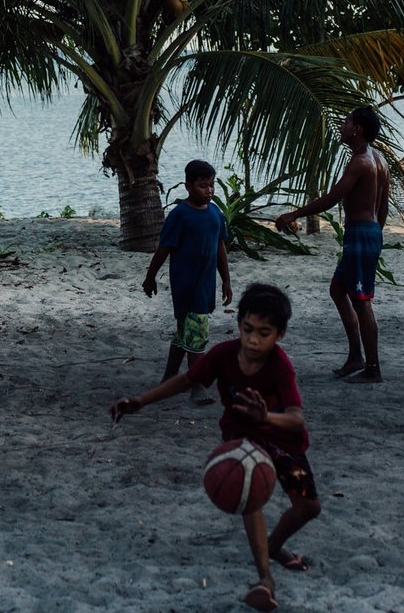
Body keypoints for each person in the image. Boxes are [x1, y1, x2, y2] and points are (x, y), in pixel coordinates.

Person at [111, 282, 320, 612]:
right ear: (238, 324)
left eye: (263, 333)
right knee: (248, 491)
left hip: (283, 440)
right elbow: (186, 380)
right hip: (242, 437)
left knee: (309, 509)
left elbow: (296, 419)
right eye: (247, 329)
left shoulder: (280, 366)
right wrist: (140, 400)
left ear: (279, 335)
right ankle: (265, 580)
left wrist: (267, 416)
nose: (253, 339)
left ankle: (274, 546)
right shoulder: (223, 355)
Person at [274, 104, 389, 383]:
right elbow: (383, 205)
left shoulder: (361, 161)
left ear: (357, 129)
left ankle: (372, 368)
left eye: (347, 121)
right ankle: (355, 356)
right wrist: (376, 233)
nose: (343, 126)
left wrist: (295, 213)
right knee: (338, 290)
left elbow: (332, 198)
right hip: (368, 232)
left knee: (361, 302)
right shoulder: (380, 159)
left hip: (361, 233)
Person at [142, 158, 232, 404]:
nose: (209, 190)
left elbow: (220, 247)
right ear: (189, 187)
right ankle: (197, 387)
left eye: (212, 185)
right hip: (186, 285)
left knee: (185, 334)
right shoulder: (180, 215)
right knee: (198, 335)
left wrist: (226, 280)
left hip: (206, 285)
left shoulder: (215, 214)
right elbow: (163, 249)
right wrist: (150, 278)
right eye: (203, 185)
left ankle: (169, 378)